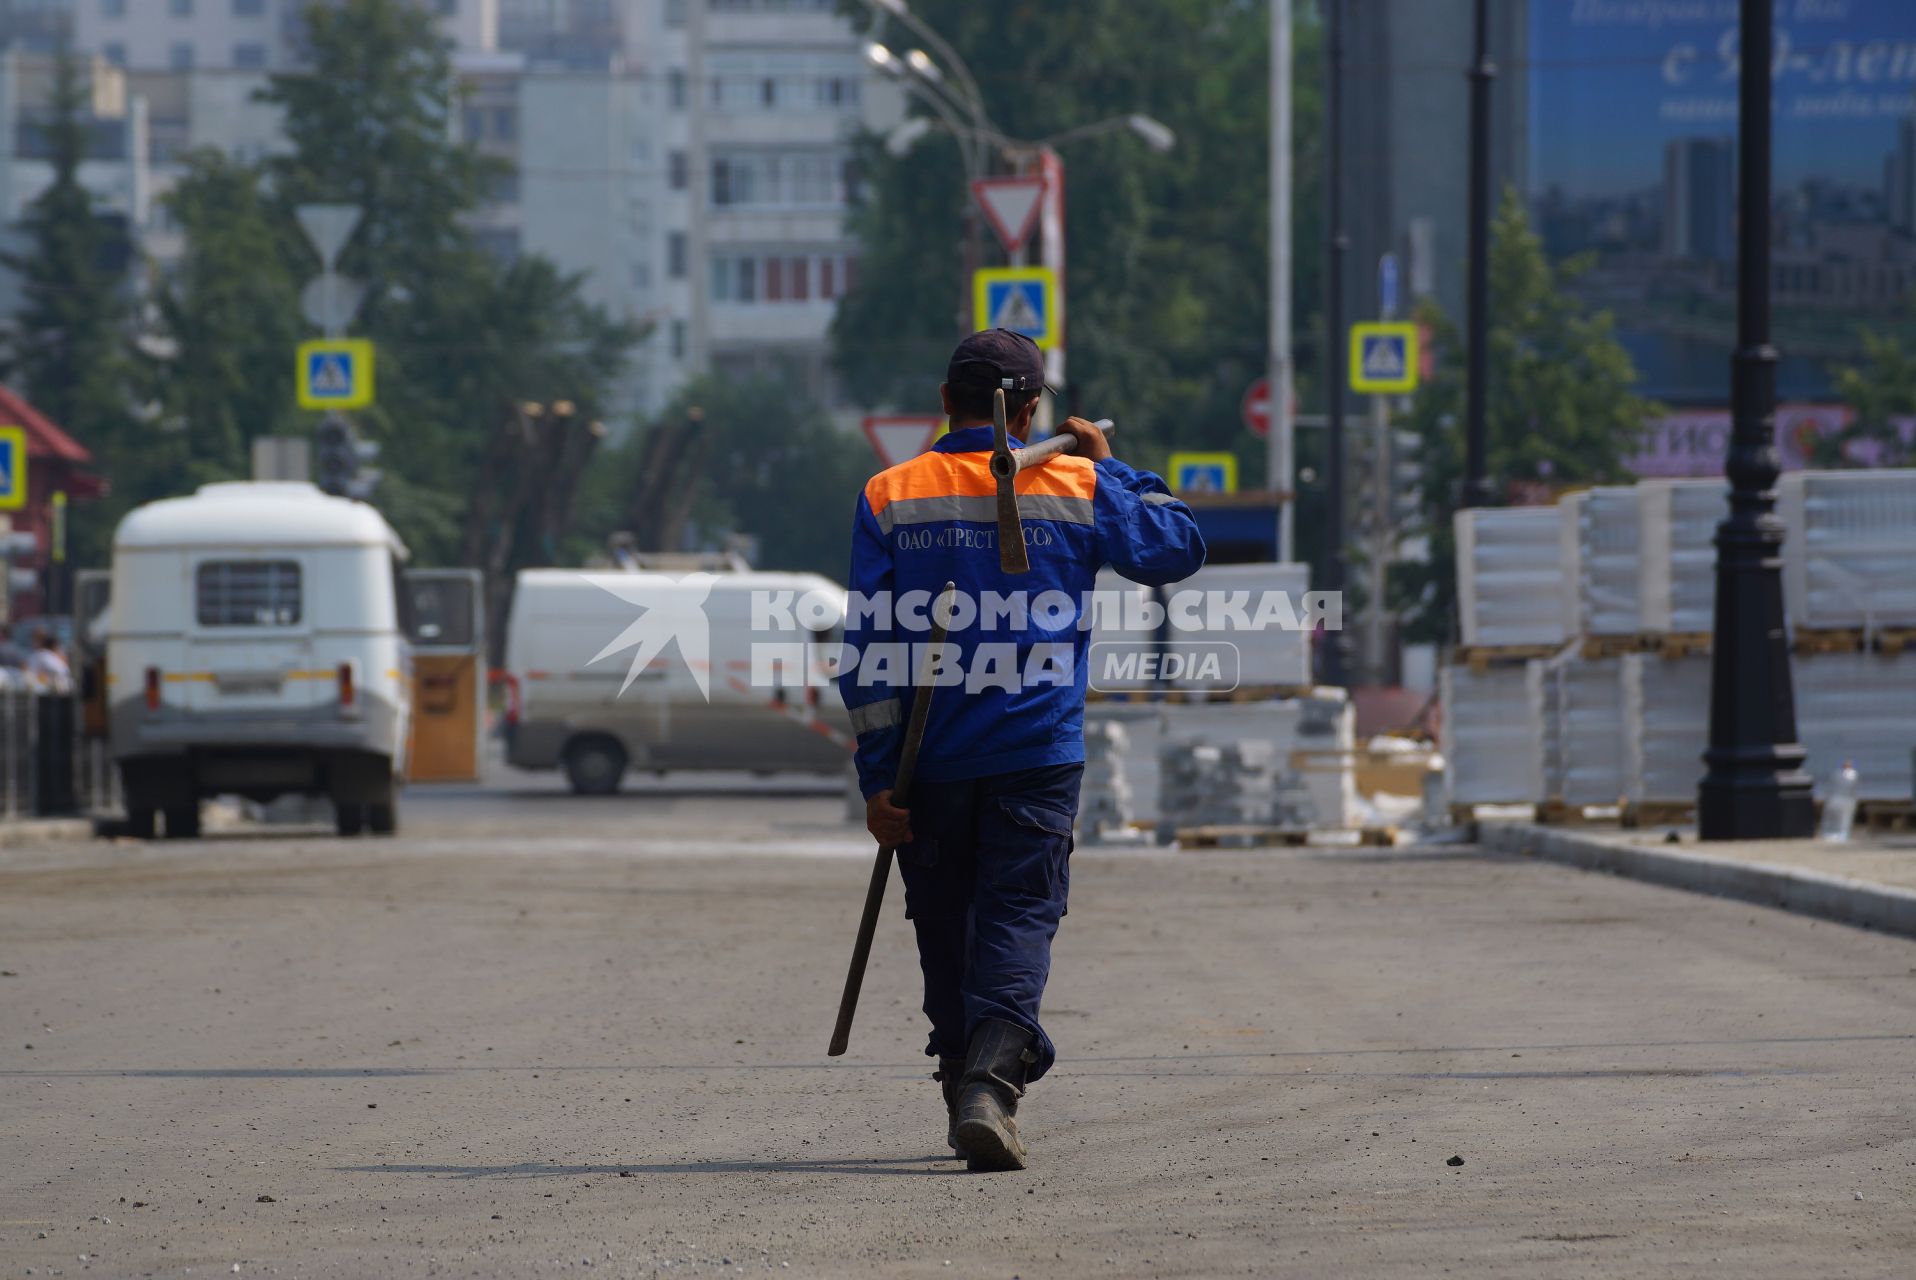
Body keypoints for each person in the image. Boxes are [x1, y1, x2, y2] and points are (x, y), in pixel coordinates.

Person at [839, 329, 1206, 1171]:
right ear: (1032, 409)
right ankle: (989, 1087)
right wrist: (1111, 464)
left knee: (945, 925)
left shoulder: (890, 493)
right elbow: (1176, 545)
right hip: (1036, 754)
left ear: (944, 401)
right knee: (1015, 918)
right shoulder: (1075, 480)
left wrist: (877, 781)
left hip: (926, 761)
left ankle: (962, 1086)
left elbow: (866, 653)